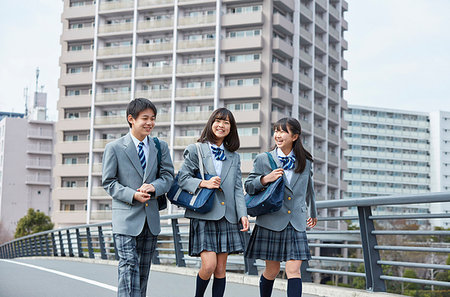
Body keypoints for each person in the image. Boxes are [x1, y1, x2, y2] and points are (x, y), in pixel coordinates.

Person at [102, 98, 175, 297]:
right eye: (145, 118)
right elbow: (109, 182)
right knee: (128, 267)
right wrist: (132, 194)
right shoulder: (115, 148)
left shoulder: (160, 147)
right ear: (131, 119)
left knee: (142, 272)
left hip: (150, 219)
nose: (150, 123)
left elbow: (168, 177)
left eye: (153, 118)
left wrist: (154, 187)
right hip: (125, 219)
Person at [177, 107, 249, 297]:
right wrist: (204, 183)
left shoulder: (234, 156)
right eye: (218, 121)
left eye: (227, 123)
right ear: (211, 123)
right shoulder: (196, 149)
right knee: (208, 266)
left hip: (227, 216)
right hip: (204, 213)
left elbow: (236, 188)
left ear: (231, 128)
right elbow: (182, 178)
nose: (222, 125)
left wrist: (243, 214)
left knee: (220, 270)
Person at [244, 117, 317, 297]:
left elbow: (309, 189)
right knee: (272, 270)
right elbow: (249, 186)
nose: (278, 135)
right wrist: (265, 179)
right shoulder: (263, 159)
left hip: (296, 221)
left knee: (294, 270)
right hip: (272, 220)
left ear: (295, 136)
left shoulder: (305, 162)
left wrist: (313, 212)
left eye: (283, 131)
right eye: (276, 131)